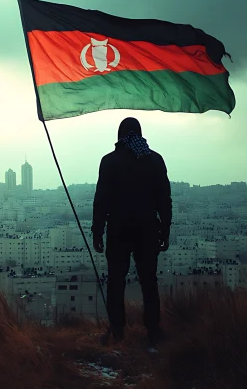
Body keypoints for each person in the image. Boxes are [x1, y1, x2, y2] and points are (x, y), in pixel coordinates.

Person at [91, 117, 172, 348]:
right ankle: (153, 330)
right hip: (147, 229)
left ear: (119, 136)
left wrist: (98, 231)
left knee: (116, 281)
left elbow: (101, 200)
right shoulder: (154, 161)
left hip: (118, 230)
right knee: (149, 281)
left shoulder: (109, 161)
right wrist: (165, 230)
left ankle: (117, 330)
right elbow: (164, 199)